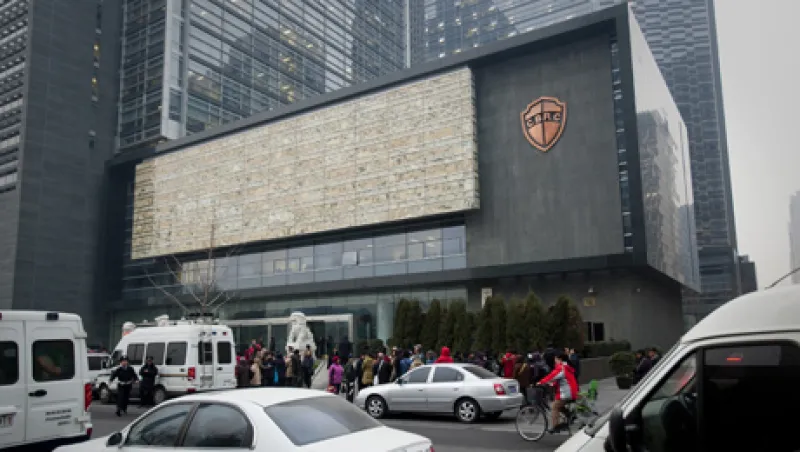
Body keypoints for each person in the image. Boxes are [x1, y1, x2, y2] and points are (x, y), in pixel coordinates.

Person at [538, 353, 579, 433]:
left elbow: (552, 376)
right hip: (572, 391)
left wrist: (540, 382)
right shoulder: (566, 367)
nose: (555, 361)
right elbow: (560, 380)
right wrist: (551, 383)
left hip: (567, 393)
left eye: (556, 359)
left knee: (554, 406)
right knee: (559, 405)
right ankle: (570, 415)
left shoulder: (561, 368)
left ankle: (555, 426)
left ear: (560, 360)